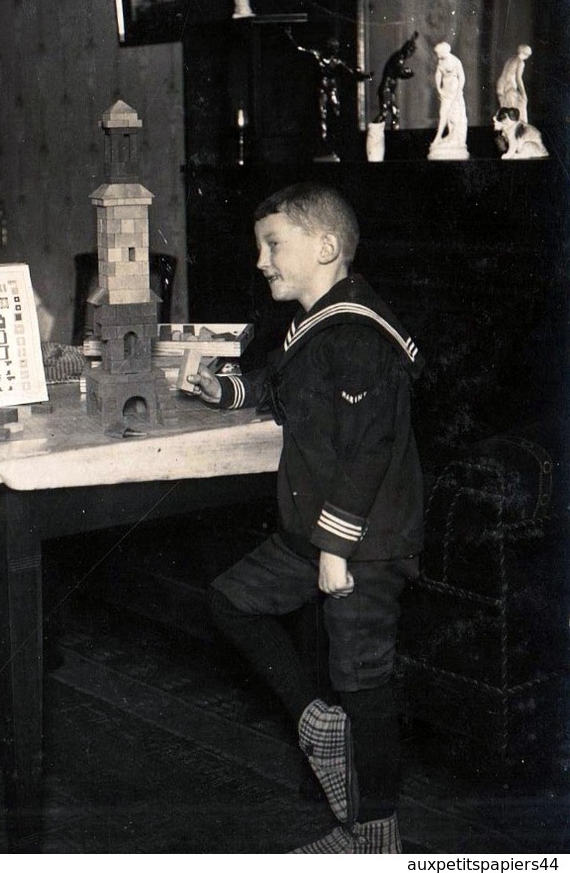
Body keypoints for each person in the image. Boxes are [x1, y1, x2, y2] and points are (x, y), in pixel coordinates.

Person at [188, 183, 424, 854]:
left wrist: (334, 551)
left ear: (324, 248)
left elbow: (370, 449)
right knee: (231, 601)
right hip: (312, 534)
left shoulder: (360, 337)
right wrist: (229, 388)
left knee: (362, 679)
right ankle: (316, 722)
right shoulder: (317, 324)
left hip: (362, 543)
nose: (261, 260)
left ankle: (375, 839)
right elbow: (282, 377)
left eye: (273, 245)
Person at [287, 31, 371, 160]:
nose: (335, 50)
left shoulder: (336, 60)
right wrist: (291, 38)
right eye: (333, 46)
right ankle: (324, 142)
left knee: (336, 113)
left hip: (332, 89)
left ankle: (333, 143)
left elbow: (350, 71)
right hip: (322, 89)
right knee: (323, 115)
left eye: (337, 47)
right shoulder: (318, 55)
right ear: (328, 46)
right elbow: (301, 49)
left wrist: (364, 76)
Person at [429, 41, 469, 159]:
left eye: (439, 53)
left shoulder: (455, 61)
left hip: (454, 92)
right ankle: (440, 137)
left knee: (454, 115)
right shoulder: (441, 61)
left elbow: (462, 78)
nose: (438, 56)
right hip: (446, 92)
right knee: (443, 114)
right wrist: (439, 88)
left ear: (444, 51)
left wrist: (458, 93)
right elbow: (438, 74)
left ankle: (453, 137)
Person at [496, 44, 532, 125]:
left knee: (506, 114)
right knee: (521, 105)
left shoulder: (511, 59)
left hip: (501, 88)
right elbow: (518, 78)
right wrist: (524, 94)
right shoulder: (520, 62)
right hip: (509, 88)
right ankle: (521, 131)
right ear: (525, 53)